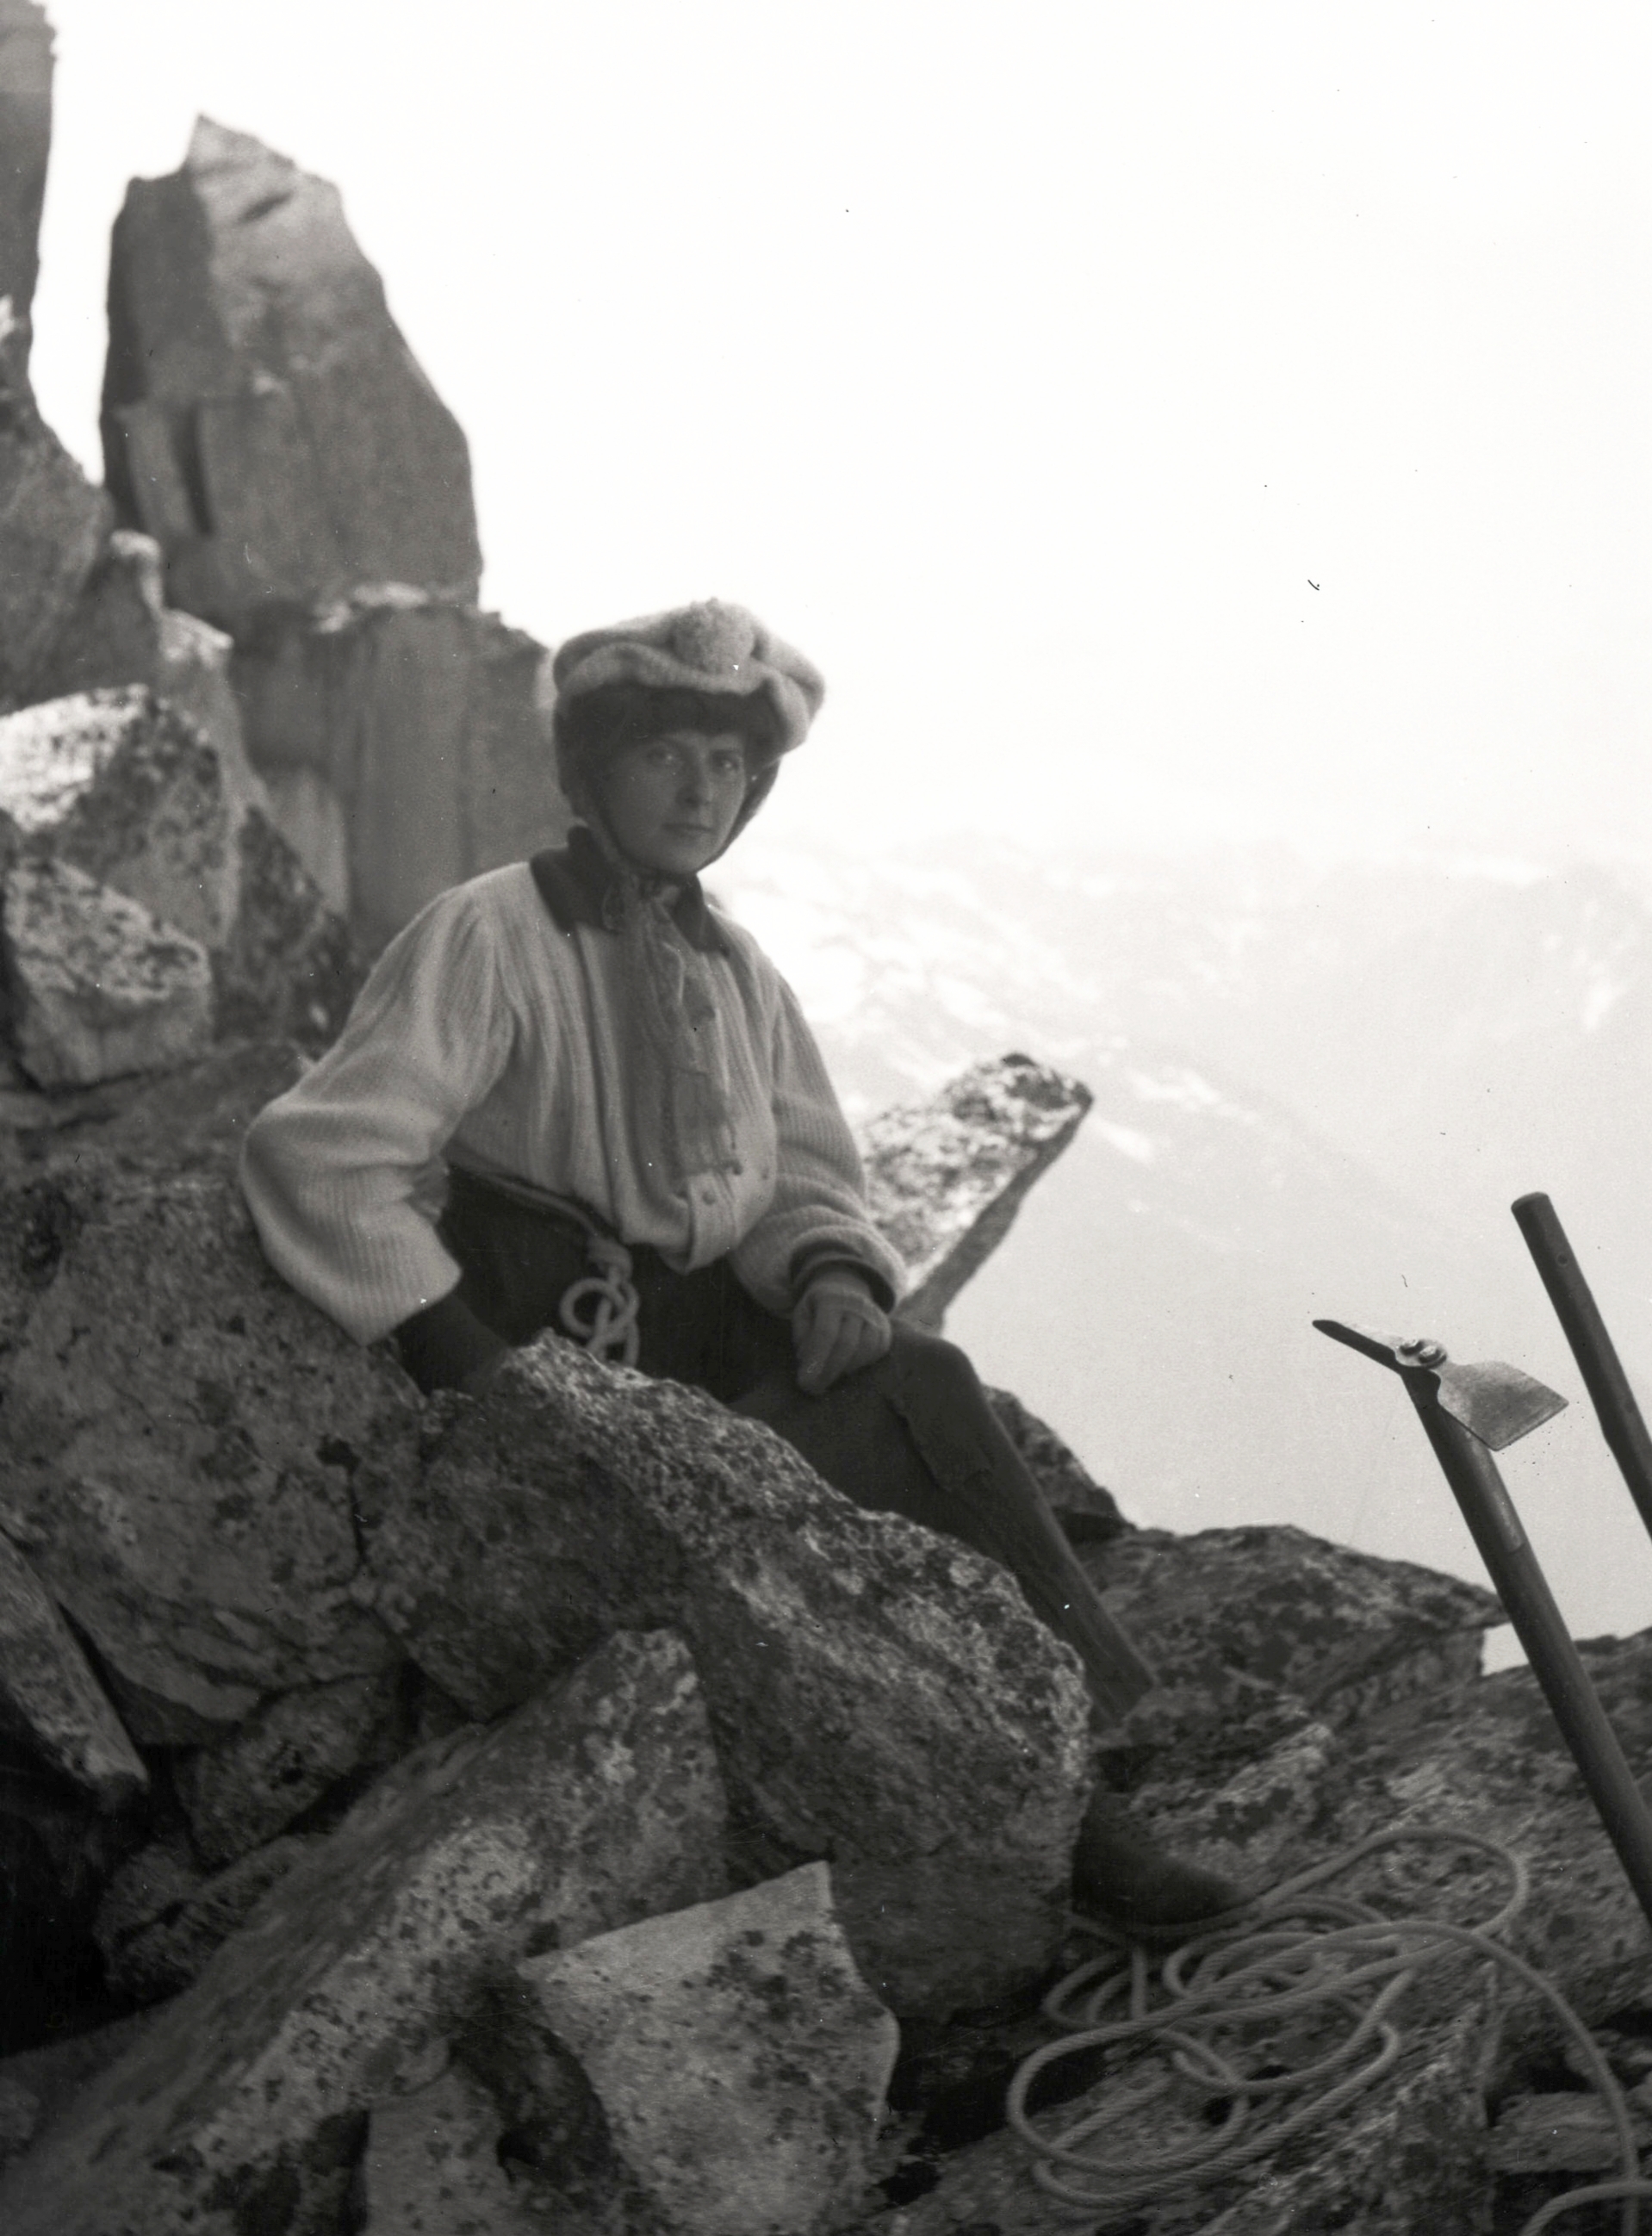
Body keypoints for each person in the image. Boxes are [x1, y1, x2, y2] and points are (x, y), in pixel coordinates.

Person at [239, 598, 1243, 1931]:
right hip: (555, 1364)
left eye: (728, 766)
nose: (700, 789)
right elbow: (322, 1157)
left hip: (700, 1345)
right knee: (825, 1534)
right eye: (667, 753)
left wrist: (829, 1275)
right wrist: (464, 1359)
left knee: (919, 1382)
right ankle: (1062, 1816)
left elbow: (803, 1177)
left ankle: (1086, 1753)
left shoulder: (736, 971)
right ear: (593, 771)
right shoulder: (490, 934)